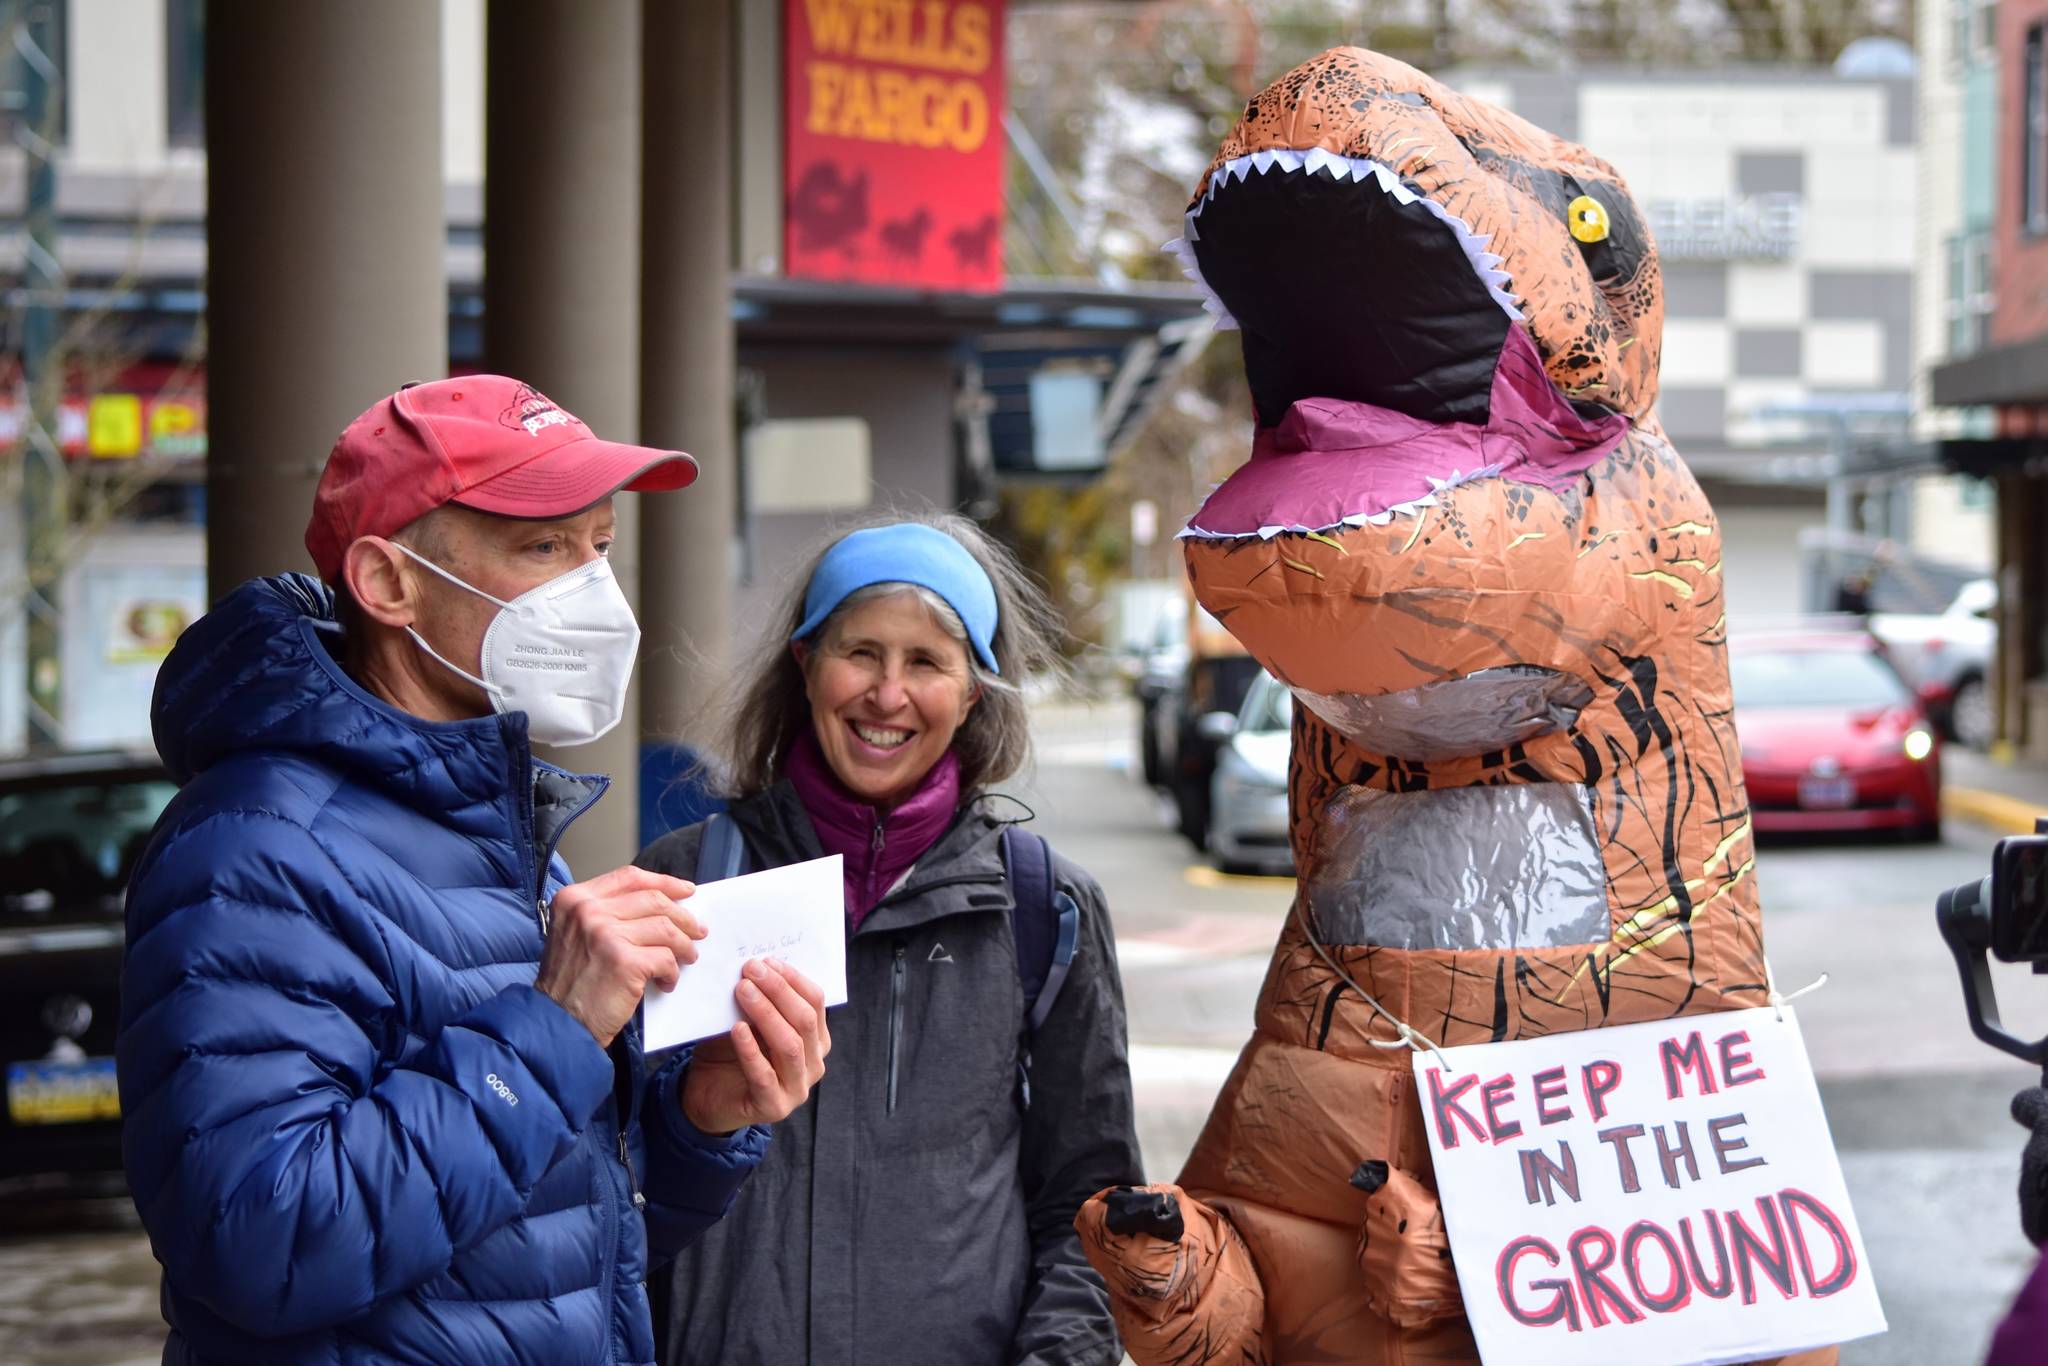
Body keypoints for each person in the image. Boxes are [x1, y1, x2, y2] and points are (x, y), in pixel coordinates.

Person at [116, 375, 831, 1366]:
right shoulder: (254, 846)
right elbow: (255, 1240)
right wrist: (555, 1026)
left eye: (599, 546)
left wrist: (705, 1120)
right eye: (543, 546)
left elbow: (541, 1257)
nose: (595, 594)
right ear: (387, 582)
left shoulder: (494, 833)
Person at [639, 514, 1143, 1366]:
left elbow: (1092, 1204)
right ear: (804, 663)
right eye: (861, 652)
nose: (887, 694)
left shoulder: (1042, 907)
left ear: (974, 689)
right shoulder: (688, 884)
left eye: (926, 663)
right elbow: (609, 1176)